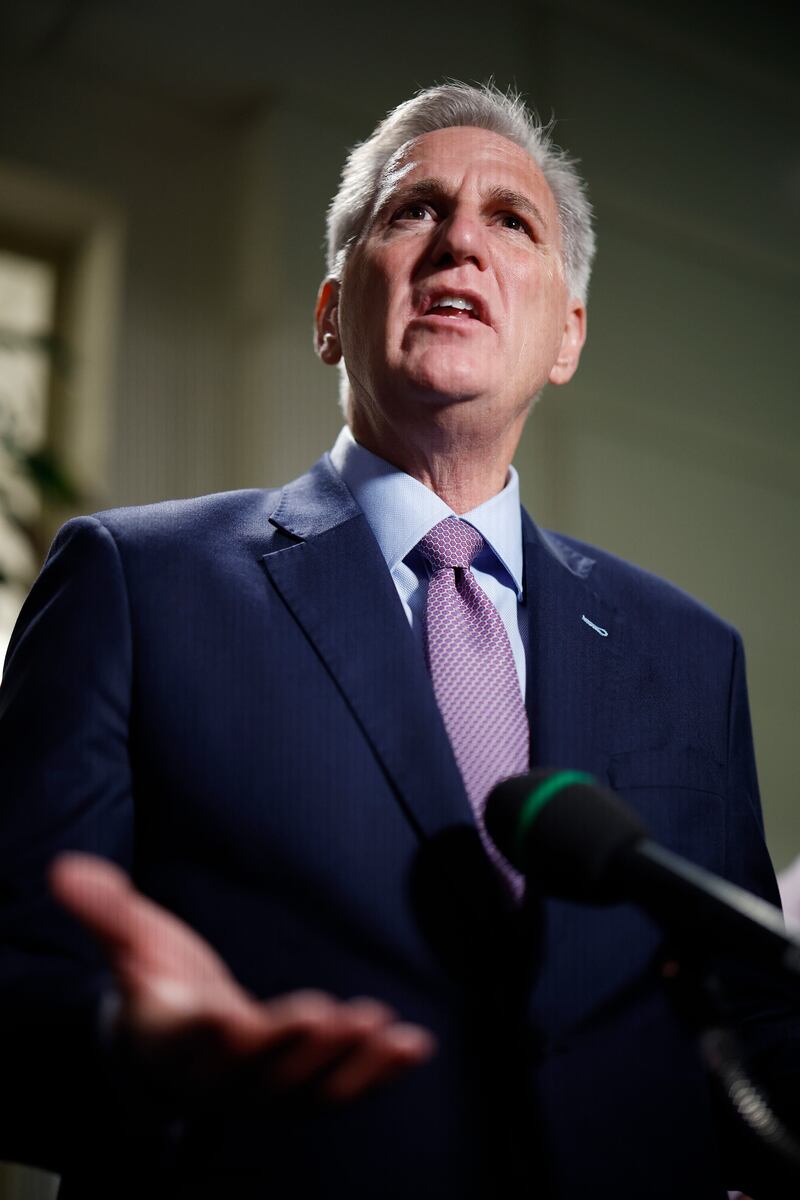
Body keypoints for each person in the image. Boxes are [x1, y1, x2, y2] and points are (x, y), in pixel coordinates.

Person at [0, 82, 795, 1200]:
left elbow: (751, 1027)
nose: (460, 239)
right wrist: (135, 1056)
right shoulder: (134, 585)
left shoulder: (687, 651)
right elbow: (18, 975)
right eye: (411, 210)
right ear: (330, 313)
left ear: (565, 334)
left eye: (510, 221)